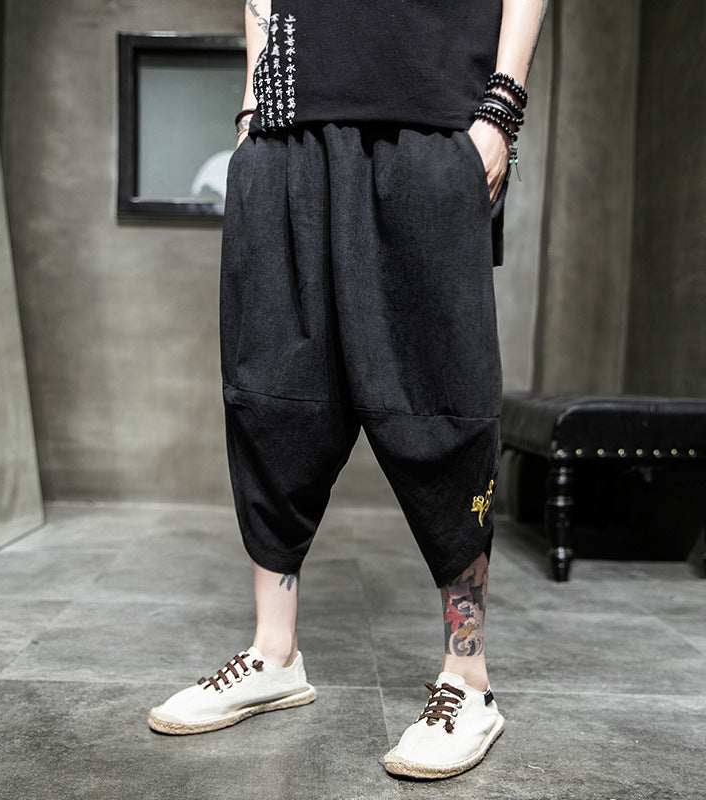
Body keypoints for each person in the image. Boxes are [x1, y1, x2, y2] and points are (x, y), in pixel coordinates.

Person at [149, 0, 547, 780]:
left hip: (428, 124)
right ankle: (274, 655)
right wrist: (251, 113)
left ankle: (468, 678)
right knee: (272, 397)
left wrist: (500, 110)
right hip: (285, 135)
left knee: (443, 403)